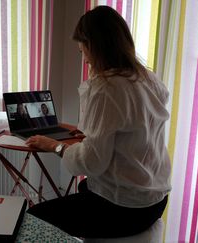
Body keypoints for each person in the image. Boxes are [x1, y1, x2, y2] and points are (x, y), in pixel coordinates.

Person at [25, 5, 171, 239]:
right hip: (155, 201)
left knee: (31, 219)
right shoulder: (148, 79)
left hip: (123, 208)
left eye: (82, 50)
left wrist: (54, 146)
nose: (84, 60)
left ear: (95, 46)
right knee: (83, 190)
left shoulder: (106, 88)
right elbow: (130, 135)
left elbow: (92, 164)